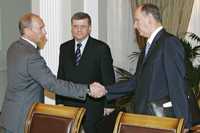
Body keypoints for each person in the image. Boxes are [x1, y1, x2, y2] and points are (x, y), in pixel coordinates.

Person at [0, 13, 106, 133]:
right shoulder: (31, 56)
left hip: (10, 116)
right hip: (22, 119)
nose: (45, 31)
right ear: (28, 31)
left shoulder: (14, 47)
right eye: (40, 28)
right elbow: (52, 83)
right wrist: (87, 89)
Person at [106, 3, 191, 130]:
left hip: (161, 119)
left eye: (137, 20)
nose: (134, 25)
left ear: (150, 19)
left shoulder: (169, 43)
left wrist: (183, 124)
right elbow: (136, 82)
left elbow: (177, 85)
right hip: (144, 118)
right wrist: (106, 90)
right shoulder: (148, 47)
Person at [55, 12, 115, 133]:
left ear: (90, 28)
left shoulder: (101, 48)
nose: (78, 30)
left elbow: (108, 78)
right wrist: (59, 102)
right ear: (71, 28)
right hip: (69, 104)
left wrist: (109, 105)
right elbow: (61, 77)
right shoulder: (64, 47)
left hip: (92, 106)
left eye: (83, 26)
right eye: (75, 26)